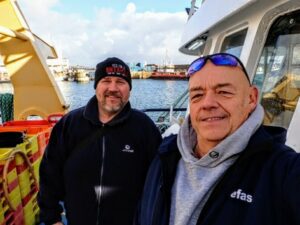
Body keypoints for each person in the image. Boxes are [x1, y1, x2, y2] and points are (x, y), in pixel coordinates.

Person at [135, 53, 300, 225]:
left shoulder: (285, 172)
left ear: (251, 98)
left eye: (223, 92)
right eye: (197, 95)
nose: (208, 103)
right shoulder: (164, 155)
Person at [38, 57, 162, 225]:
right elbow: (49, 175)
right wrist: (52, 219)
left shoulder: (144, 128)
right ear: (96, 85)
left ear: (129, 89)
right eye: (106, 81)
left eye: (120, 82)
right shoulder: (69, 125)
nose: (113, 88)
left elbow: (159, 183)